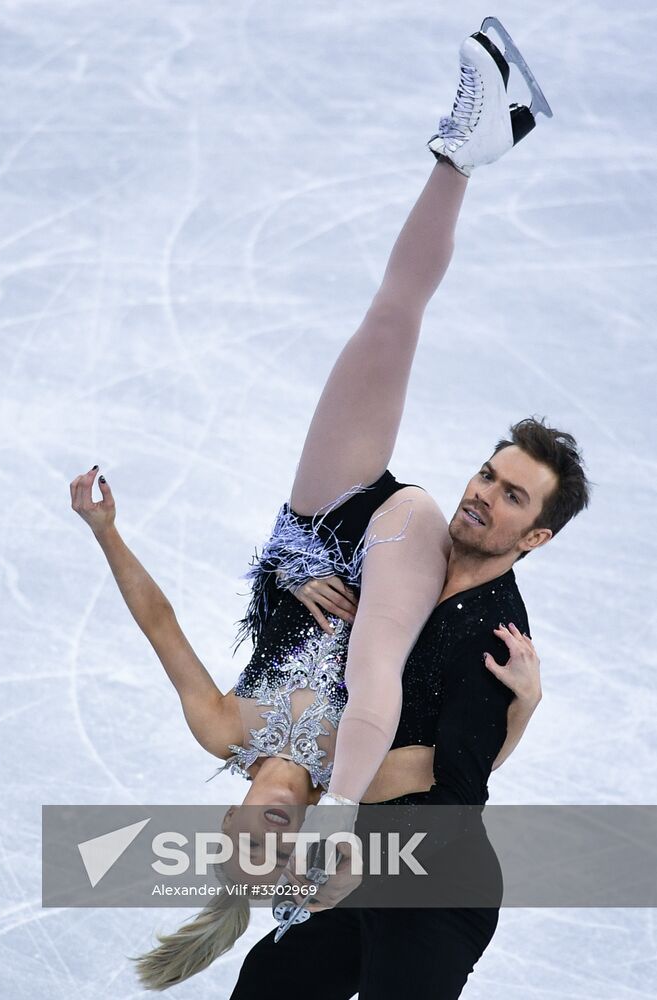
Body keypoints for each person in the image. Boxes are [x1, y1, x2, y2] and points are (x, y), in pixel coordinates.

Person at [68, 18, 576, 994]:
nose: (260, 827)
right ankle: (477, 141)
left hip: (318, 530)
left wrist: (107, 532)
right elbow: (463, 771)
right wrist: (528, 703)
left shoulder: (227, 726)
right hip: (394, 564)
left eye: (241, 837)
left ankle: (471, 147)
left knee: (388, 320)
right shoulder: (363, 778)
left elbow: (160, 622)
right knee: (377, 660)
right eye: (276, 841)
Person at [227, 21, 591, 1000]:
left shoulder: (498, 636)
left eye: (510, 495)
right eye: (489, 471)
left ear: (538, 535)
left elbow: (442, 769)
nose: (483, 490)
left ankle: (466, 151)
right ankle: (470, 151)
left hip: (432, 883)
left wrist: (326, 813)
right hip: (369, 847)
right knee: (265, 993)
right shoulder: (419, 549)